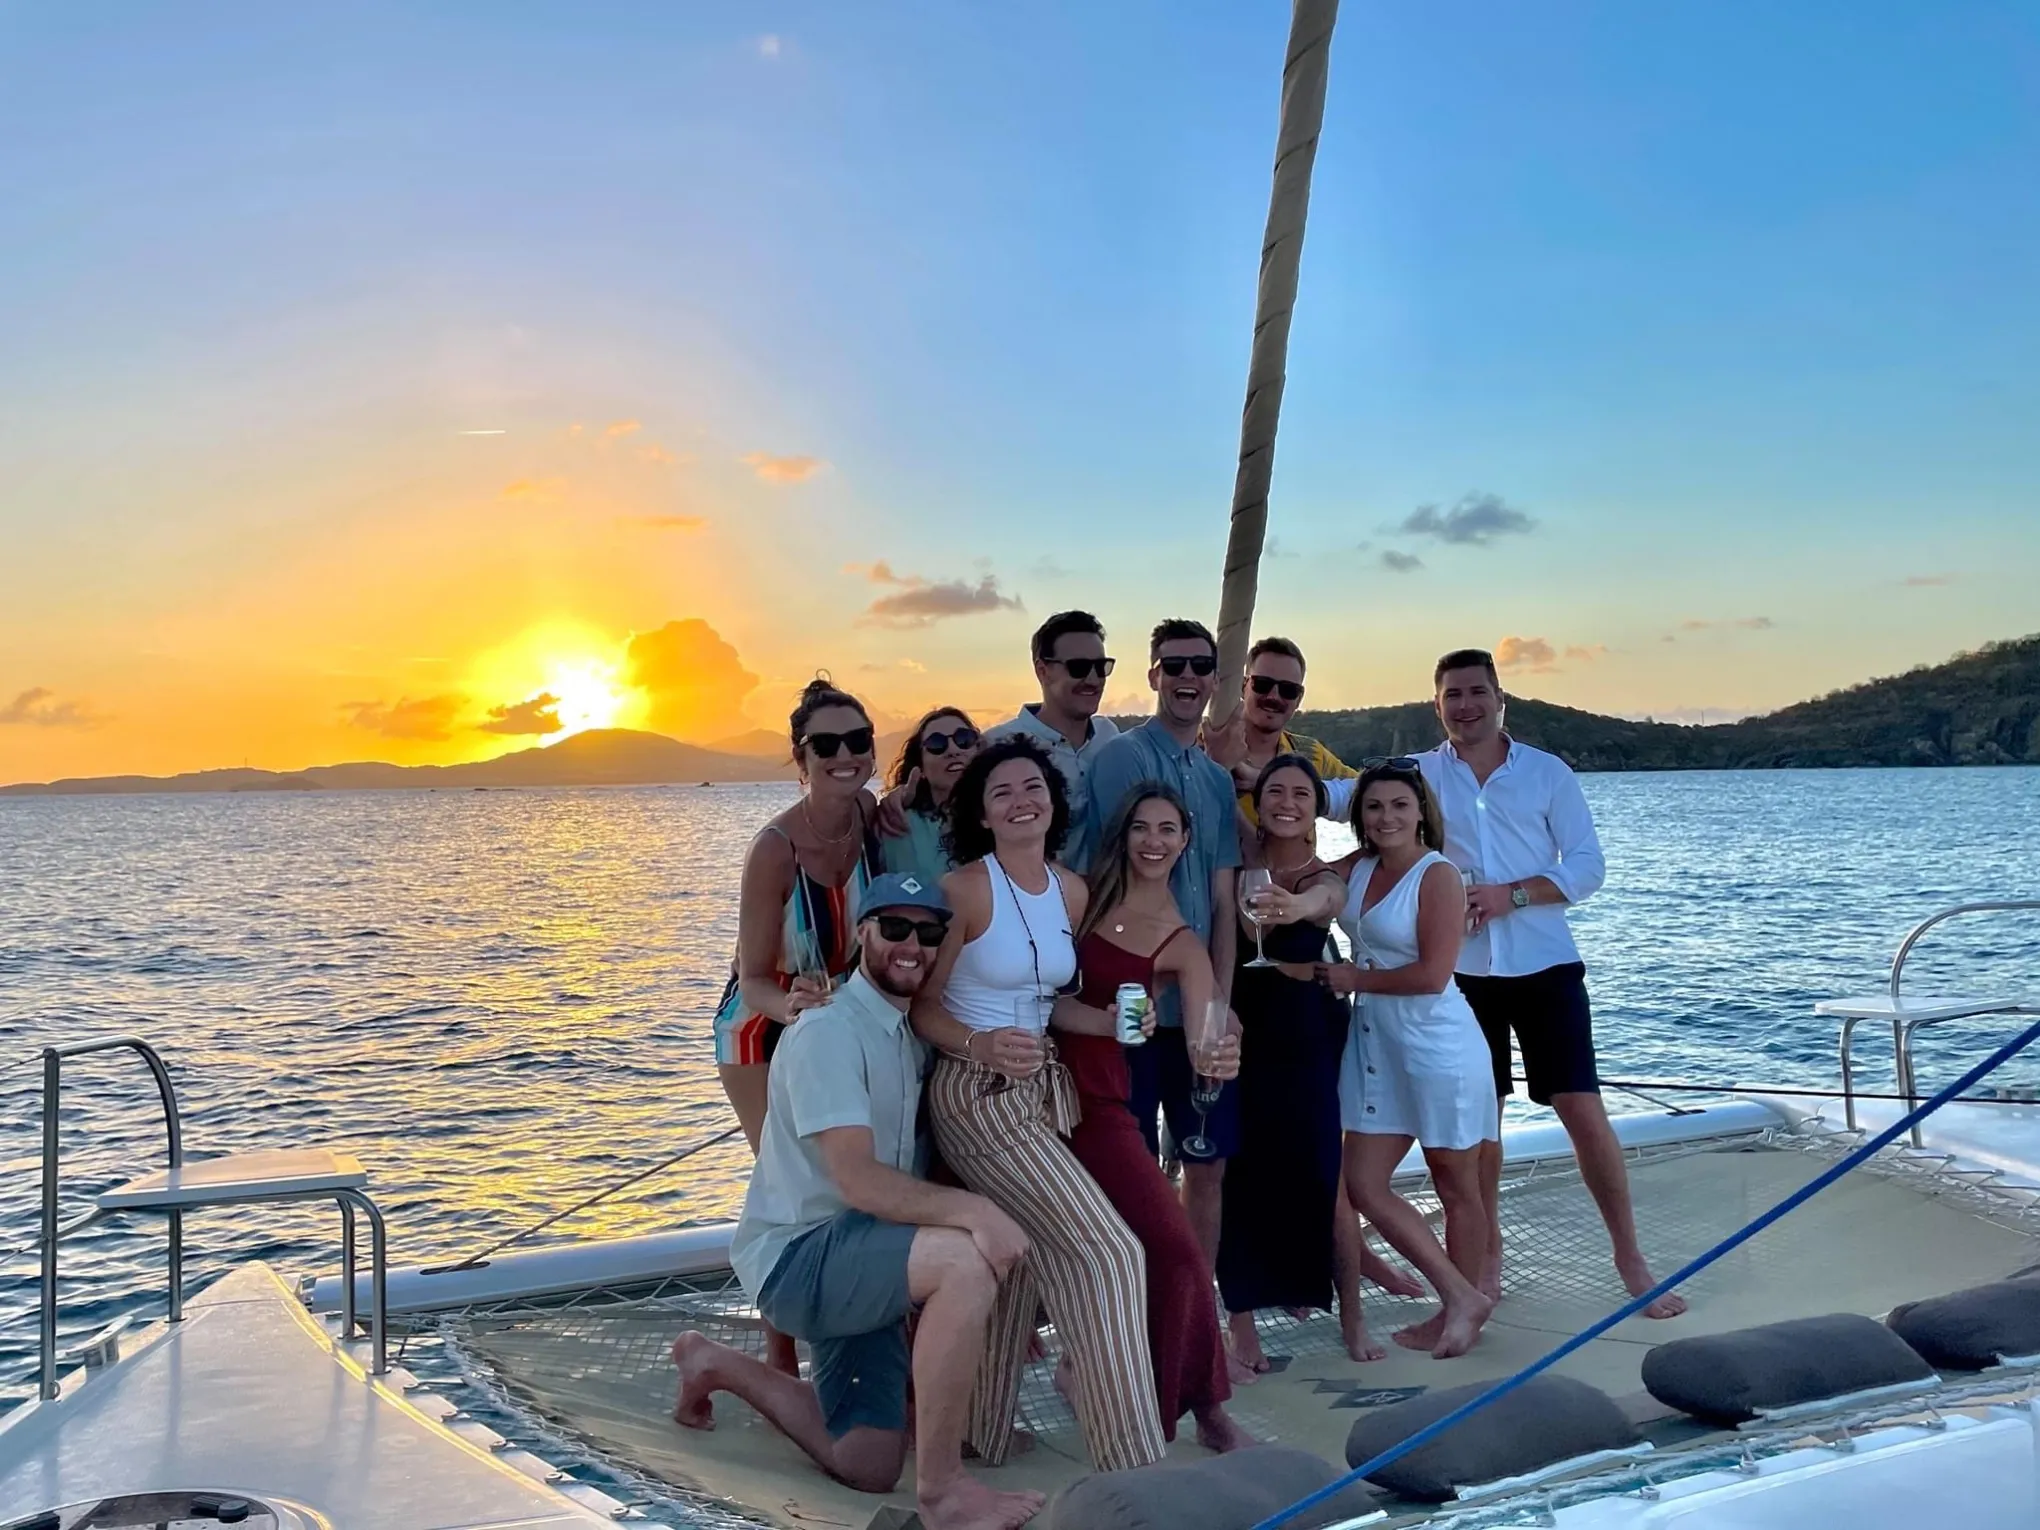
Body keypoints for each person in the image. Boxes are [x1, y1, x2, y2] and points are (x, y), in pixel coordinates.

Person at [674, 873, 1045, 1530]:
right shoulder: (829, 1033)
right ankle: (944, 1494)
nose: (913, 945)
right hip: (803, 1256)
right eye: (894, 928)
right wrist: (978, 1213)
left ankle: (713, 1362)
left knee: (867, 1462)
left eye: (929, 933)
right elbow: (859, 1183)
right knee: (964, 1261)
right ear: (862, 935)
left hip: (866, 1256)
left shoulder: (904, 1035)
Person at [911, 737, 1168, 1473]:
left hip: (1041, 1091)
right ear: (983, 816)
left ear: (1053, 802)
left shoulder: (1072, 889)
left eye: (1033, 787)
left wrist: (1127, 1022)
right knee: (1110, 1252)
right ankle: (1136, 1464)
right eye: (1002, 793)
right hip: (976, 1096)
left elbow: (1054, 1006)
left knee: (1018, 1265)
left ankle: (979, 1437)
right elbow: (924, 1009)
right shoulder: (964, 891)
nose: (1021, 800)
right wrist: (978, 1044)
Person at [1418, 649, 1687, 1318]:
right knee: (1484, 1125)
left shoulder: (1546, 773)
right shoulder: (1420, 774)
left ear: (1500, 699)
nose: (1465, 704)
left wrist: (1511, 895)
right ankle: (1488, 1259)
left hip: (1546, 968)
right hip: (1466, 975)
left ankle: (1631, 1259)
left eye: (1477, 691)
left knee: (1583, 1113)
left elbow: (1589, 866)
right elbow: (1339, 799)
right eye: (1453, 694)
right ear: (1438, 705)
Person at [1054, 785, 1253, 1451]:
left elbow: (1204, 1026)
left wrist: (1219, 1053)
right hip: (1021, 1088)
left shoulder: (1180, 942)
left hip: (1097, 1101)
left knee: (1172, 1250)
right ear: (1123, 834)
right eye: (1142, 827)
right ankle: (1076, 1365)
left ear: (1186, 841)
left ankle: (1204, 1410)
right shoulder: (1077, 898)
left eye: (1169, 829)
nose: (1154, 841)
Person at [712, 676, 883, 1372]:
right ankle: (780, 1352)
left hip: (838, 1026)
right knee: (787, 1192)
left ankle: (843, 1333)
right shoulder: (775, 849)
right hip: (763, 1029)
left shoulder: (870, 816)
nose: (845, 755)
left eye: (859, 741)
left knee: (843, 1183)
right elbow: (751, 976)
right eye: (827, 744)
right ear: (800, 755)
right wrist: (791, 1010)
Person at [1218, 756, 1391, 1370]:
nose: (1287, 801)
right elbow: (1230, 924)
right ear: (1256, 801)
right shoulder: (1234, 866)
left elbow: (1326, 899)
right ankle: (1241, 1320)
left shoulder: (1324, 875)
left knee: (1325, 1175)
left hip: (1307, 1033)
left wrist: (1294, 907)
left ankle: (1351, 1316)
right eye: (1274, 791)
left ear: (1317, 806)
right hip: (1242, 1028)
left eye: (1300, 792)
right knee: (1236, 1171)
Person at [1322, 760, 1498, 1359]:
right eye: (1374, 807)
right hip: (1375, 1044)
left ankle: (1457, 1311)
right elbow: (1308, 875)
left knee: (1457, 1186)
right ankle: (1459, 1294)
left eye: (1400, 805)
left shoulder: (1438, 874)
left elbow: (1432, 975)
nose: (1386, 817)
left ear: (1421, 810)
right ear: (1359, 817)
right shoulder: (1360, 865)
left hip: (1437, 1047)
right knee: (1363, 1183)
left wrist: (1352, 978)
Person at [1083, 618, 1242, 1267]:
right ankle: (1127, 1319)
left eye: (1200, 666)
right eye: (1172, 666)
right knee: (1132, 1171)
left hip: (1198, 1012)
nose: (1187, 678)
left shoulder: (1217, 780)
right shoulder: (1120, 758)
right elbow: (1114, 874)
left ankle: (1194, 1318)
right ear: (1152, 675)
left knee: (1207, 1166)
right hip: (1133, 1009)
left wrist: (1220, 1003)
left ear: (1214, 678)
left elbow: (1225, 903)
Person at [981, 610, 1121, 873]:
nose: (1093, 679)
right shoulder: (997, 745)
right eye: (1079, 667)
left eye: (1101, 667)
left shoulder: (1109, 737)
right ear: (1042, 671)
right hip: (1031, 903)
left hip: (1105, 905)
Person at [1201, 637, 1359, 826]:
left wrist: (1267, 782)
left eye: (1288, 690)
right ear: (1244, 687)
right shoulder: (1201, 746)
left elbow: (1369, 794)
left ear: (1299, 698)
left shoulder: (1310, 755)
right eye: (1262, 684)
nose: (1273, 696)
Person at [880, 707, 982, 883]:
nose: (953, 750)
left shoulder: (1004, 816)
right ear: (920, 766)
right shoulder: (897, 825)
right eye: (937, 744)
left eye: (963, 739)